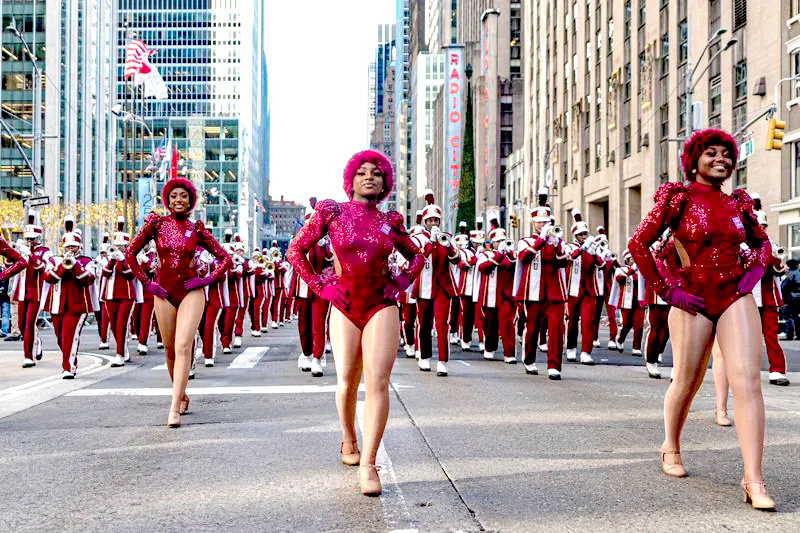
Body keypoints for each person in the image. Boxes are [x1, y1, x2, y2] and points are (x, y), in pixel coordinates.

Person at [628, 128, 775, 510]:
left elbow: (763, 245)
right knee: (686, 381)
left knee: (748, 381)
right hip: (691, 298)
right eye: (712, 153)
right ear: (694, 160)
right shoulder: (676, 197)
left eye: (727, 155)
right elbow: (638, 244)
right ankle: (670, 446)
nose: (721, 160)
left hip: (734, 294)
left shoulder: (738, 203)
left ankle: (753, 480)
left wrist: (754, 273)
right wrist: (667, 290)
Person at [285, 150, 423, 496]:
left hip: (381, 303)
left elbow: (418, 254)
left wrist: (402, 281)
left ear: (385, 181)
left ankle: (369, 463)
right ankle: (348, 437)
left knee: (378, 381)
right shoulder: (332, 211)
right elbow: (295, 251)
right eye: (362, 172)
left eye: (376, 172)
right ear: (351, 179)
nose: (369, 177)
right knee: (347, 380)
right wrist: (320, 285)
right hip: (344, 303)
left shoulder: (390, 220)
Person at [126, 177, 232, 428]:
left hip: (191, 291)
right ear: (167, 200)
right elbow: (130, 253)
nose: (179, 200)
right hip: (162, 291)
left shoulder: (197, 228)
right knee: (170, 349)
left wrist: (205, 281)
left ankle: (173, 408)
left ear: (190, 200)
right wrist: (146, 283)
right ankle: (181, 394)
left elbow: (225, 258)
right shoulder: (156, 225)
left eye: (183, 196)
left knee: (184, 345)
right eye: (174, 196)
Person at [514, 204, 568, 380]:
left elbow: (562, 263)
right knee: (532, 328)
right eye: (539, 223)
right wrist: (541, 240)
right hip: (533, 291)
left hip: (555, 292)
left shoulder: (557, 241)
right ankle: (529, 360)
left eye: (545, 222)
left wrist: (555, 244)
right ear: (533, 224)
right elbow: (525, 257)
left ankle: (554, 365)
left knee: (556, 329)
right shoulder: (526, 241)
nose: (542, 225)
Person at [412, 191, 460, 375]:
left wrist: (448, 246)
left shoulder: (447, 237)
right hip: (424, 286)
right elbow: (417, 260)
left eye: (436, 220)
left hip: (442, 286)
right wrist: (430, 243)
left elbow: (456, 259)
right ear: (425, 222)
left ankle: (442, 361)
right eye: (430, 220)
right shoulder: (418, 238)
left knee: (442, 324)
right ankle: (424, 357)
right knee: (424, 323)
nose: (433, 223)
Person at [42, 231, 96, 378]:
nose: (70, 249)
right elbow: (47, 277)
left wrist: (75, 265)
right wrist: (62, 266)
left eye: (74, 246)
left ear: (79, 247)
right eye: (68, 246)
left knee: (69, 336)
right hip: (57, 305)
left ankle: (68, 367)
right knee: (60, 338)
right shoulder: (54, 261)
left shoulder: (86, 261)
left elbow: (90, 278)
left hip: (77, 305)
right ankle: (72, 360)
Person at [15, 211, 52, 367]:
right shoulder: (22, 251)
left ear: (38, 238)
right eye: (27, 238)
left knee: (30, 323)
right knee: (22, 325)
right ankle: (36, 340)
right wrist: (14, 254)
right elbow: (13, 268)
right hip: (22, 291)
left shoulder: (45, 251)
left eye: (32, 238)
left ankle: (28, 356)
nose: (29, 241)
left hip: (36, 292)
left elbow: (43, 267)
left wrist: (29, 254)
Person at [102, 220, 137, 367]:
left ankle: (120, 354)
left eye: (121, 245)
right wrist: (111, 260)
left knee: (121, 324)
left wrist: (123, 261)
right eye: (116, 245)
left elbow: (131, 275)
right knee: (114, 325)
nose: (118, 248)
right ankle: (122, 349)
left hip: (126, 295)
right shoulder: (109, 257)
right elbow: (105, 273)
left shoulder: (132, 257)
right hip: (110, 295)